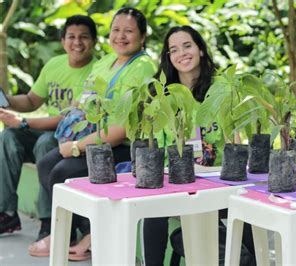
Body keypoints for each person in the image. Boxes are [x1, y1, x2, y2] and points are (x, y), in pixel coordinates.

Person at [30, 7, 157, 261]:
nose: (121, 36)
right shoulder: (105, 61)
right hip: (94, 136)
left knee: (61, 172)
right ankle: (83, 232)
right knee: (45, 165)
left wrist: (77, 146)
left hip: (122, 144)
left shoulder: (142, 67)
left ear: (142, 37)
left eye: (129, 31)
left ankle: (83, 235)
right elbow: (82, 102)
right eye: (116, 30)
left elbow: (120, 130)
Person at [143, 26, 254, 266]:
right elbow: (158, 150)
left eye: (187, 46)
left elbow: (235, 144)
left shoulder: (223, 89)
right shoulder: (161, 96)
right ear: (168, 58)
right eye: (173, 50)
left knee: (245, 211)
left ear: (201, 50)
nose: (181, 53)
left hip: (217, 181)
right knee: (153, 214)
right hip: (176, 182)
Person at [0, 15, 97, 242]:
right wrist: (6, 100)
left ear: (94, 41)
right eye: (71, 37)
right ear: (63, 41)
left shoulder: (97, 71)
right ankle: (6, 213)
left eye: (84, 37)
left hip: (73, 136)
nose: (77, 43)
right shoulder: (54, 64)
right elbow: (32, 101)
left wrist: (24, 122)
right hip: (48, 130)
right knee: (8, 137)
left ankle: (49, 221)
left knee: (45, 142)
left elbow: (69, 120)